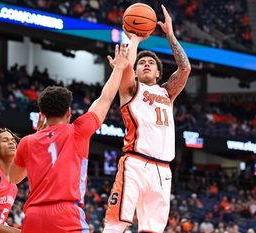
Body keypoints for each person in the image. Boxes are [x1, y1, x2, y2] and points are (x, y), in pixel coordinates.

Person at [9, 43, 130, 233]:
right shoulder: (78, 131)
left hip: (33, 216)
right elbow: (105, 98)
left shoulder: (27, 142)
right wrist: (119, 69)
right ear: (69, 112)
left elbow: (14, 178)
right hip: (65, 214)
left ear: (41, 114)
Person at [103, 5, 191, 233]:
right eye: (142, 63)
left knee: (152, 230)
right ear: (136, 70)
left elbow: (185, 68)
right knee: (116, 223)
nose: (146, 64)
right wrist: (135, 40)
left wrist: (170, 35)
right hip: (135, 163)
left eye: (151, 62)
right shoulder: (130, 88)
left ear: (159, 73)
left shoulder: (167, 93)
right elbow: (126, 66)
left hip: (163, 170)